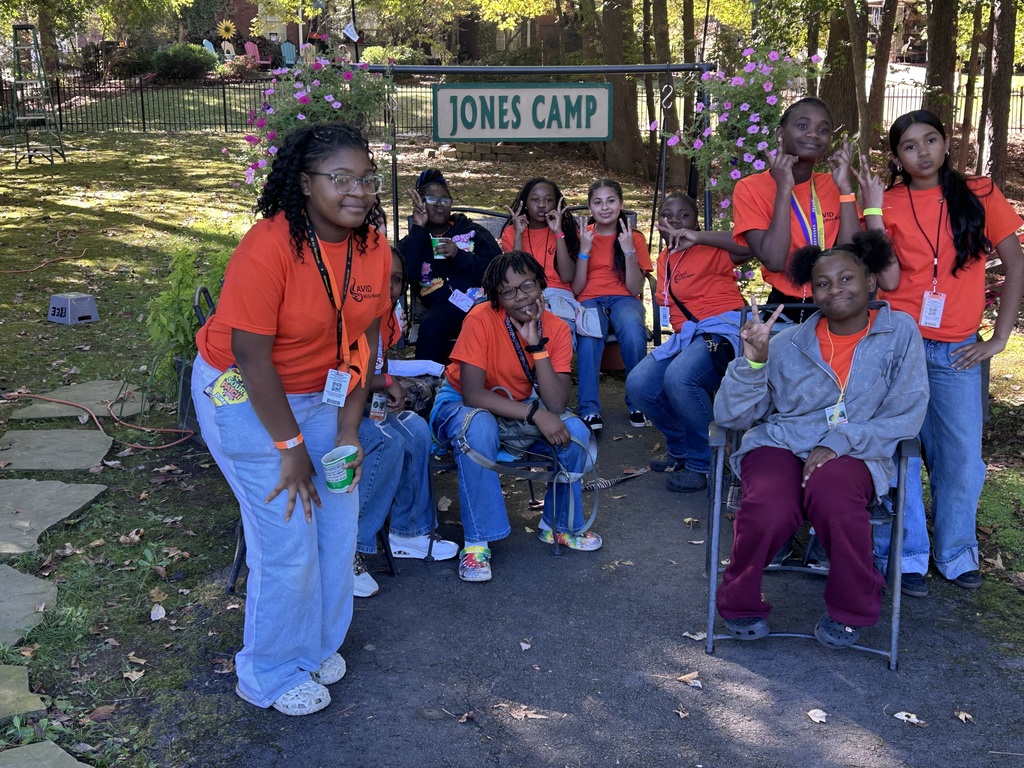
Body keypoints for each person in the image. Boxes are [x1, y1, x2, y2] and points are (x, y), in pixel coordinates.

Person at [191, 123, 391, 715]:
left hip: (326, 396)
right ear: (305, 184)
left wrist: (351, 428)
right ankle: (268, 672)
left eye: (367, 178)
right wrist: (290, 445)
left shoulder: (374, 248)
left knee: (335, 527)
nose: (358, 190)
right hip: (246, 394)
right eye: (341, 177)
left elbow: (367, 339)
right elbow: (251, 356)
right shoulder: (269, 245)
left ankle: (314, 646)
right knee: (287, 538)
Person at [714, 231, 928, 648]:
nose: (836, 289)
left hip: (857, 448)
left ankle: (852, 606)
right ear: (812, 292)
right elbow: (731, 416)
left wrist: (842, 440)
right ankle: (739, 601)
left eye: (847, 278)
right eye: (824, 283)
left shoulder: (899, 332)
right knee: (767, 505)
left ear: (871, 280)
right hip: (781, 442)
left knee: (833, 497)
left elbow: (907, 413)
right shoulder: (787, 342)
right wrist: (753, 363)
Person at [865, 110, 1024, 597]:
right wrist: (871, 210)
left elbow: (1016, 264)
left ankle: (955, 552)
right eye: (910, 146)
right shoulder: (889, 203)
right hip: (899, 344)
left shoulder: (979, 194)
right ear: (897, 157)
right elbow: (884, 278)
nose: (923, 152)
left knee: (961, 457)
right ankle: (908, 553)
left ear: (946, 142)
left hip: (958, 349)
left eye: (930, 140)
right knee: (901, 451)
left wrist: (998, 338)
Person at [430, 251, 602, 583]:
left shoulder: (558, 330)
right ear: (496, 297)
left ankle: (558, 526)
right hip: (461, 406)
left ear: (541, 284)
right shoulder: (480, 318)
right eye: (508, 292)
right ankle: (477, 542)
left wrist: (538, 346)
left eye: (527, 285)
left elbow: (555, 402)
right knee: (479, 425)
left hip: (520, 408)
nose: (520, 296)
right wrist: (534, 413)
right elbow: (472, 394)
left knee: (576, 431)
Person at [624, 193, 750, 493]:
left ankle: (702, 462)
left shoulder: (711, 247)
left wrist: (700, 237)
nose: (675, 220)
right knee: (639, 384)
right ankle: (680, 445)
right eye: (667, 215)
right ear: (659, 222)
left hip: (723, 329)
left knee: (679, 379)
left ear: (696, 221)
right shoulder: (665, 258)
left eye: (684, 215)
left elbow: (750, 247)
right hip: (688, 336)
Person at [353, 249, 458, 598]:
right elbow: (339, 374)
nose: (392, 286)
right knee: (386, 441)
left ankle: (408, 533)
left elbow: (379, 368)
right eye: (384, 277)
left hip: (360, 402)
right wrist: (382, 384)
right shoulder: (351, 312)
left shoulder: (385, 317)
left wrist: (385, 382)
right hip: (326, 408)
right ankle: (352, 547)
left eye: (397, 279)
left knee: (414, 428)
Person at [732, 97, 869, 309]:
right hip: (788, 307)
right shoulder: (750, 188)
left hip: (838, 303)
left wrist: (845, 189)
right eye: (802, 125)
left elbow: (849, 254)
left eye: (823, 130)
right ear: (780, 133)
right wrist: (784, 189)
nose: (813, 134)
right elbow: (774, 261)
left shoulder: (832, 183)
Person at [572, 179, 653, 431]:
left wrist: (628, 250)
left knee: (631, 327)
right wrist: (584, 250)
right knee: (590, 333)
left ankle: (638, 401)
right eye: (597, 202)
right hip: (589, 297)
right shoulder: (581, 236)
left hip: (624, 297)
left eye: (611, 201)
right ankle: (589, 409)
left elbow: (635, 289)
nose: (604, 207)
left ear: (621, 203)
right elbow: (576, 288)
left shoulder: (634, 237)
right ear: (590, 207)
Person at [400, 169, 501, 364]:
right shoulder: (413, 241)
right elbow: (407, 276)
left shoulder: (472, 232)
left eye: (445, 201)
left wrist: (459, 255)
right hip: (443, 308)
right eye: (431, 200)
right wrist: (419, 229)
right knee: (431, 326)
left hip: (481, 303)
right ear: (420, 203)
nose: (439, 206)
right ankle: (426, 382)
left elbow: (497, 270)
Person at [500, 177, 585, 339]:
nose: (541, 205)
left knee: (557, 332)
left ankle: (555, 363)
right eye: (534, 200)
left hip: (559, 295)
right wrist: (519, 234)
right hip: (524, 294)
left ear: (556, 204)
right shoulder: (511, 232)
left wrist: (558, 233)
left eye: (548, 200)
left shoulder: (567, 232)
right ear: (525, 203)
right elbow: (514, 276)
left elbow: (567, 276)